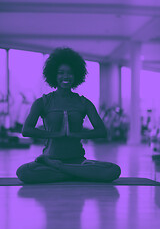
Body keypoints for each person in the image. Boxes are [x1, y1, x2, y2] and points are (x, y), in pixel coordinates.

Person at [16, 47, 121, 183]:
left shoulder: (84, 103)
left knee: (113, 170)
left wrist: (76, 135)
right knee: (23, 172)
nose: (66, 76)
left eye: (70, 73)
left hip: (76, 161)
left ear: (76, 75)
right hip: (50, 158)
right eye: (61, 73)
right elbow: (26, 130)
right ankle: (77, 174)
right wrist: (56, 134)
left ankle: (61, 169)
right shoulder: (42, 102)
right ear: (54, 75)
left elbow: (102, 131)